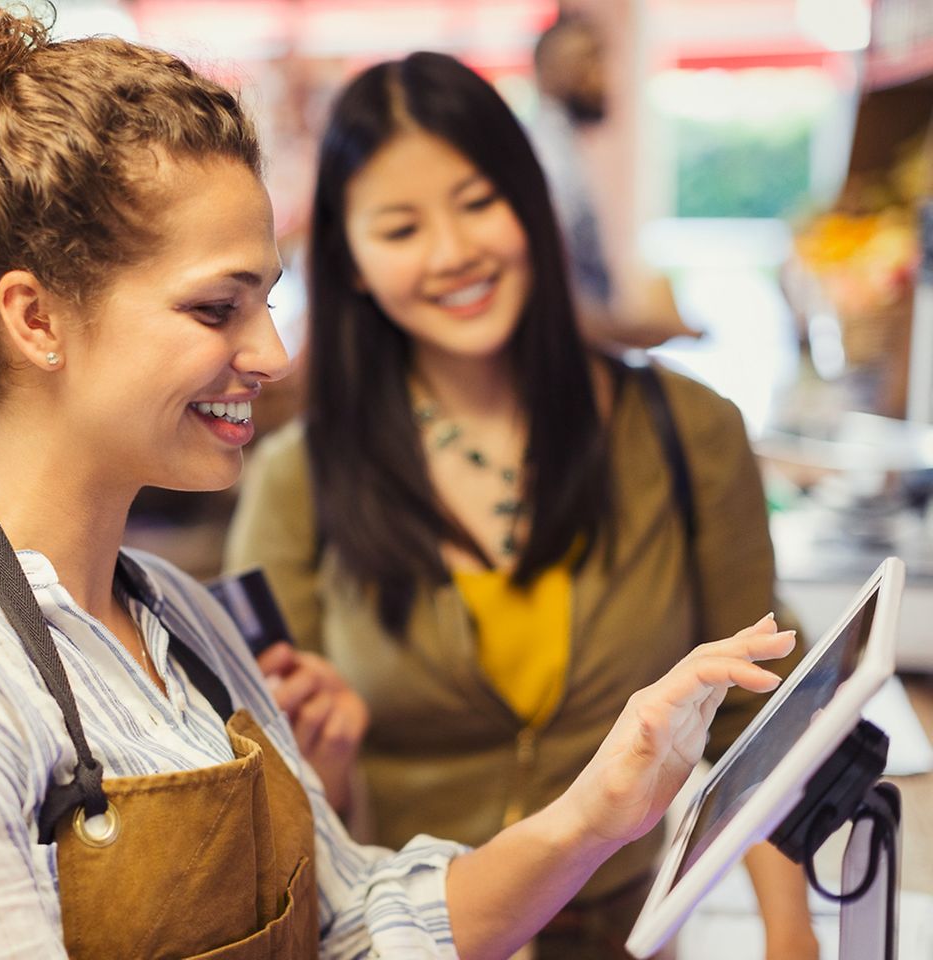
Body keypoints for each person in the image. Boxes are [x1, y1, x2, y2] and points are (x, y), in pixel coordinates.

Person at [0, 7, 795, 958]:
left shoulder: (174, 623)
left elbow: (352, 925)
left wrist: (600, 812)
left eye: (268, 300)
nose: (269, 357)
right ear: (36, 319)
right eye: (217, 309)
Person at [225, 52, 817, 959]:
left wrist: (791, 934)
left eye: (477, 202)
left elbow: (760, 713)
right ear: (348, 262)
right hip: (418, 939)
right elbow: (275, 799)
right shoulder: (298, 478)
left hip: (627, 936)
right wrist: (324, 756)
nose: (455, 252)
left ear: (531, 204)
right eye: (400, 225)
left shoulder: (685, 430)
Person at [528, 13, 696, 351]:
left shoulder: (564, 148)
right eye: (590, 60)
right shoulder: (549, 157)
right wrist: (635, 331)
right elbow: (548, 294)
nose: (605, 77)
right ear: (551, 71)